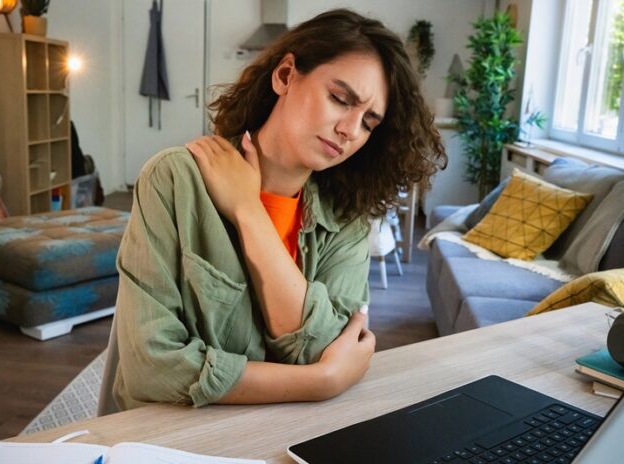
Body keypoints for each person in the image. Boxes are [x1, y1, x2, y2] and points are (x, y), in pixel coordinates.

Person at [111, 8, 446, 410]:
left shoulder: (347, 221)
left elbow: (328, 346)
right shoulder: (174, 179)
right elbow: (151, 368)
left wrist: (248, 211)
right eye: (340, 99)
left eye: (369, 123)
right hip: (172, 435)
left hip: (286, 431)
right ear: (285, 75)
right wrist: (321, 381)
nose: (350, 130)